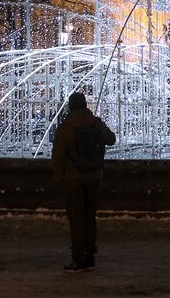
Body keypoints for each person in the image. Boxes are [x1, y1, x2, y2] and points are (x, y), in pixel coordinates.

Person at [52, 91, 117, 272]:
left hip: (74, 180)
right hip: (95, 178)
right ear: (85, 105)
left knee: (77, 219)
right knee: (90, 217)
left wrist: (58, 180)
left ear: (71, 107)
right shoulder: (96, 123)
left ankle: (78, 257)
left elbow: (58, 156)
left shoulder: (66, 127)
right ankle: (90, 256)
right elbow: (111, 140)